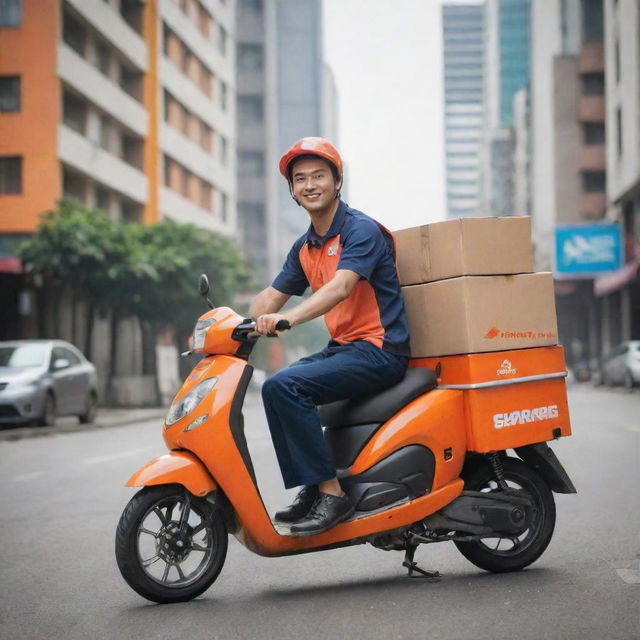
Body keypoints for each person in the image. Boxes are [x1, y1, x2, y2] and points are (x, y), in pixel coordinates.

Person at [249, 137, 410, 536]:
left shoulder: (360, 231)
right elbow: (270, 297)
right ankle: (314, 487)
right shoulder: (306, 247)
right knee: (274, 387)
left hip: (380, 350)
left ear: (337, 181)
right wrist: (240, 319)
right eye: (299, 178)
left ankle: (333, 496)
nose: (309, 185)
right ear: (291, 189)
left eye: (319, 175)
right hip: (346, 348)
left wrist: (286, 320)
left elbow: (339, 288)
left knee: (289, 385)